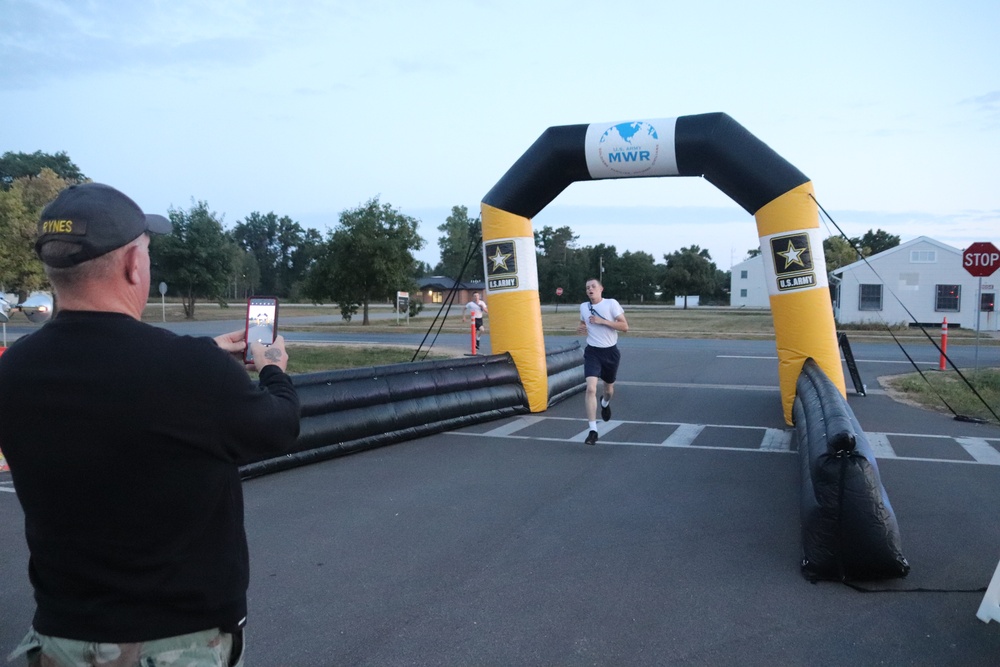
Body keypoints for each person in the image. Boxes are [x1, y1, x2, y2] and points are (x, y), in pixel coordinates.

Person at [0, 183, 301, 667]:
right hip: (173, 644)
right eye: (145, 250)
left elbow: (106, 382)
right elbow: (277, 427)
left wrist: (204, 353)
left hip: (59, 637)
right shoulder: (187, 373)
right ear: (132, 265)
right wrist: (273, 369)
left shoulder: (13, 369)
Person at [576, 278, 629, 446]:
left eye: (593, 286)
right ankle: (593, 431)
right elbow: (583, 322)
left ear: (601, 289)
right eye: (587, 288)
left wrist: (603, 321)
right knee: (590, 388)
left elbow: (625, 326)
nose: (590, 289)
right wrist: (581, 327)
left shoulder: (611, 304)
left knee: (608, 390)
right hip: (592, 352)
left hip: (610, 353)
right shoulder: (584, 307)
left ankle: (605, 403)